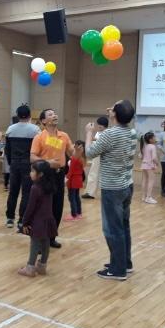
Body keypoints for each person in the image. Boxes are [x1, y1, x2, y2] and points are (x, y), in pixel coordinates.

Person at [85, 100, 137, 281]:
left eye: (113, 107)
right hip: (127, 184)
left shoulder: (109, 134)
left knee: (112, 229)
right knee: (123, 226)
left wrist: (89, 133)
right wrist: (114, 113)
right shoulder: (132, 132)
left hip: (112, 188)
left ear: (114, 114)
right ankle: (125, 263)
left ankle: (117, 269)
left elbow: (89, 152)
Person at [31, 108, 74, 248]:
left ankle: (51, 237)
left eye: (55, 113)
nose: (54, 115)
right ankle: (40, 241)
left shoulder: (64, 136)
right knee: (43, 208)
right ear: (43, 121)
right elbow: (32, 157)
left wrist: (81, 147)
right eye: (50, 114)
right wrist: (47, 162)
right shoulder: (39, 137)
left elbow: (72, 153)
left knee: (57, 206)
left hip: (59, 174)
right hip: (44, 174)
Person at [18, 160, 58, 277]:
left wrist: (25, 222)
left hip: (37, 221)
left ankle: (30, 268)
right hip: (48, 219)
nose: (30, 173)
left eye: (32, 171)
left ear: (40, 174)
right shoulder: (49, 187)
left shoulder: (35, 188)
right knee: (45, 242)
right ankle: (42, 266)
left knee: (35, 243)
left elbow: (30, 208)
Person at [5, 105, 41, 229]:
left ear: (17, 115)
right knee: (26, 193)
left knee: (13, 192)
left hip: (14, 163)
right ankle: (21, 220)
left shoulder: (10, 129)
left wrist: (11, 162)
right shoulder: (35, 130)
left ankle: (10, 219)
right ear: (30, 115)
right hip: (28, 164)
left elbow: (7, 149)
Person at [82, 116, 109, 200]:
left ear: (104, 125)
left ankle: (106, 193)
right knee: (93, 172)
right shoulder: (98, 132)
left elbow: (100, 142)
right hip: (97, 155)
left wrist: (90, 135)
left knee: (105, 175)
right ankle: (90, 192)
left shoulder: (108, 132)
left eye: (100, 125)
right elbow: (95, 141)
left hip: (105, 156)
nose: (99, 126)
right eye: (98, 125)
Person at [64, 140, 86, 221]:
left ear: (77, 147)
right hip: (79, 179)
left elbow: (71, 171)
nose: (73, 146)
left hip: (73, 180)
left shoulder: (74, 158)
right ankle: (79, 213)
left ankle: (74, 215)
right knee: (76, 196)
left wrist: (66, 180)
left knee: (71, 197)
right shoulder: (82, 158)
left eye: (74, 145)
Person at [140, 132, 159, 204]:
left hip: (144, 165)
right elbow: (154, 158)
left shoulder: (144, 146)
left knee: (144, 180)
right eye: (154, 137)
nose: (155, 138)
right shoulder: (152, 146)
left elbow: (140, 156)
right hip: (150, 165)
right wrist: (157, 163)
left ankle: (143, 197)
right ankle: (148, 197)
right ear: (150, 139)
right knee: (151, 181)